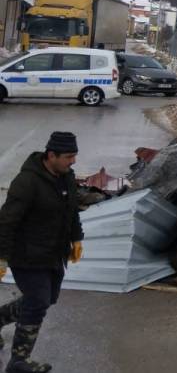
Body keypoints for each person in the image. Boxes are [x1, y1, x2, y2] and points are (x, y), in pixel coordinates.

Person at [0, 132, 84, 373]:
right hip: (26, 254)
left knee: (46, 299)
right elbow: (6, 222)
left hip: (54, 252)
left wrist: (77, 237)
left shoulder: (66, 176)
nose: (73, 161)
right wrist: (2, 257)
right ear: (51, 155)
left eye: (74, 156)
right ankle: (18, 362)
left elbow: (72, 209)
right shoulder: (26, 182)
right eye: (69, 156)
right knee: (37, 301)